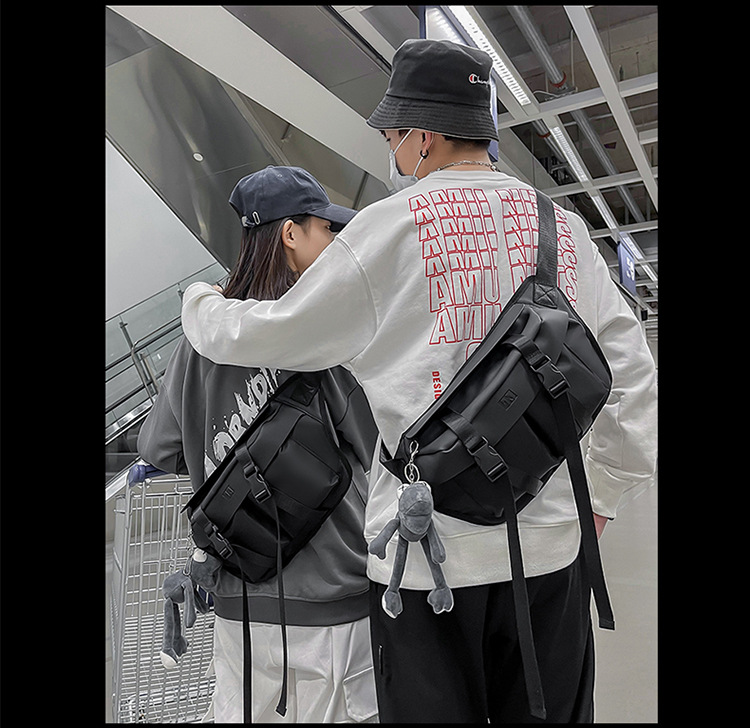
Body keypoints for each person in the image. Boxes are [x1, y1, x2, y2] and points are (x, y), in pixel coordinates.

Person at [179, 39, 658, 724]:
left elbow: (270, 332)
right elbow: (633, 376)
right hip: (551, 550)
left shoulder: (389, 230)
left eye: (393, 136)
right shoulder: (564, 229)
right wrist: (601, 498)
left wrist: (200, 302)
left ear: (423, 136)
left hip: (423, 561)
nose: (393, 151)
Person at [138, 165, 380, 724]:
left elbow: (161, 447)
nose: (333, 243)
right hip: (333, 601)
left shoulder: (200, 340)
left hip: (241, 602)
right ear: (291, 234)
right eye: (326, 229)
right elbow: (375, 445)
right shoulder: (323, 335)